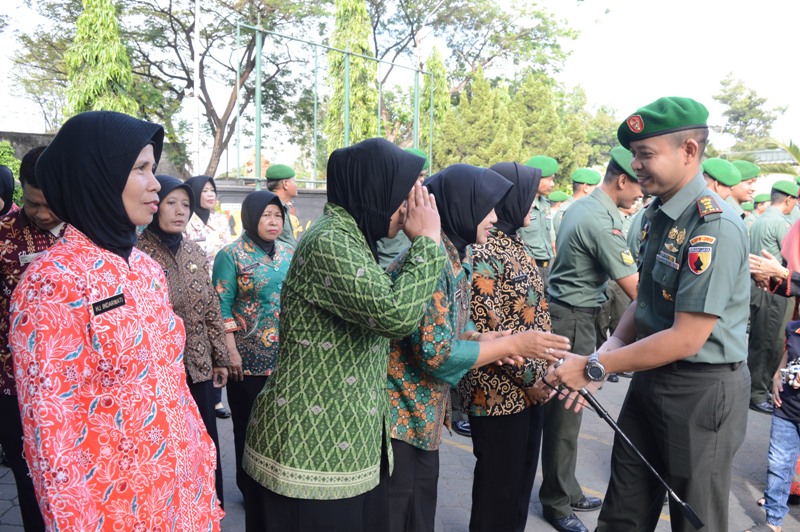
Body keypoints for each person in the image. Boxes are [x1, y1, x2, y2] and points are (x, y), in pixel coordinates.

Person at [10, 110, 223, 530]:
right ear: (97, 176)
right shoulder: (52, 283)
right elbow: (51, 437)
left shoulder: (145, 269)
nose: (156, 183)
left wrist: (202, 460)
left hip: (183, 493)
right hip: (115, 510)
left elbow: (171, 386)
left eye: (153, 168)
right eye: (139, 169)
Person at [553, 96, 750, 532]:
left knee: (695, 518)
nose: (636, 165)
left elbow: (686, 338)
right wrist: (609, 350)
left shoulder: (712, 224)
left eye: (646, 154)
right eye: (635, 155)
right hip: (651, 375)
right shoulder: (657, 215)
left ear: (689, 151)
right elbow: (645, 302)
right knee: (623, 509)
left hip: (700, 390)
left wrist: (595, 365)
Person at [241, 138, 444, 531]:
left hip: (345, 449)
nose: (406, 211)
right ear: (373, 190)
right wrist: (430, 243)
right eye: (402, 198)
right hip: (307, 455)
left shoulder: (353, 238)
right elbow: (396, 314)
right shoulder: (330, 240)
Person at [386, 163, 570, 532]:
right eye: (486, 207)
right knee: (404, 512)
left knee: (420, 511)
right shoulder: (433, 259)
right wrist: (511, 345)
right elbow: (436, 351)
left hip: (422, 413)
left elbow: (457, 324)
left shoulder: (454, 256)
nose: (494, 216)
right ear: (461, 207)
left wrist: (487, 339)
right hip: (404, 412)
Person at [541, 146, 642, 532]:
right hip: (574, 321)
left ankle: (565, 486)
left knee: (571, 412)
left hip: (572, 315)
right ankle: (555, 501)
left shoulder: (582, 208)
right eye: (638, 185)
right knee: (565, 416)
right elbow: (635, 291)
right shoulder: (601, 220)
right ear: (621, 179)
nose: (640, 194)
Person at [459, 162, 559, 532]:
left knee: (518, 486)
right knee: (497, 491)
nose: (535, 204)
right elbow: (487, 325)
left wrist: (544, 379)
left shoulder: (515, 242)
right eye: (530, 196)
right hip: (498, 393)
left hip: (532, 389)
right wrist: (533, 379)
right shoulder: (486, 250)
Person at [137, 174, 231, 508]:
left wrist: (220, 357)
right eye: (171, 202)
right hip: (162, 375)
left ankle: (209, 510)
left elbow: (210, 308)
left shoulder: (194, 251)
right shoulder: (137, 254)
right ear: (155, 205)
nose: (180, 211)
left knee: (205, 442)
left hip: (200, 367)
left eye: (186, 204)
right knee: (171, 447)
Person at [212, 190, 293, 498]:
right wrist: (231, 353)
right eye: (266, 215)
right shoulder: (231, 255)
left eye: (277, 216)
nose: (273, 222)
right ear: (250, 217)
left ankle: (276, 484)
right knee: (247, 426)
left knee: (279, 425)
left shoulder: (289, 253)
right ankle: (250, 489)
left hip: (285, 358)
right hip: (245, 360)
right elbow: (221, 305)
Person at [0, 146, 63, 532]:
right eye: (32, 202)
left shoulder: (89, 232)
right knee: (29, 478)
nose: (41, 214)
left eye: (50, 204)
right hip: (13, 385)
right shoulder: (4, 237)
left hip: (74, 386)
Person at [184, 174, 234, 419]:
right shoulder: (185, 222)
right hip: (193, 294)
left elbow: (228, 252)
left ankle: (216, 400)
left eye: (213, 190)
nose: (211, 194)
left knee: (218, 344)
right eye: (205, 190)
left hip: (219, 293)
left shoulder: (220, 221)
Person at [748, 180, 799, 414]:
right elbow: (789, 260)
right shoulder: (781, 223)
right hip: (776, 288)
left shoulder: (759, 219)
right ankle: (758, 392)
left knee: (762, 339)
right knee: (770, 342)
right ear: (789, 200)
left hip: (762, 286)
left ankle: (760, 388)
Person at [377, 147, 430, 269]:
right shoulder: (386, 197)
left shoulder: (419, 200)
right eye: (419, 174)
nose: (422, 180)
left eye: (424, 176)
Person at [518, 155, 558, 290]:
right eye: (550, 179)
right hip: (530, 266)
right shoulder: (521, 206)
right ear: (536, 179)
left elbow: (551, 237)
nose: (552, 184)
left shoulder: (545, 204)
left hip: (549, 266)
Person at [553, 168, 602, 236]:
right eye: (595, 187)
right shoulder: (566, 211)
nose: (597, 191)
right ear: (586, 187)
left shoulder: (582, 208)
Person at [265, 163, 299, 249]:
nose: (296, 185)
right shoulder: (273, 208)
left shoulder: (281, 206)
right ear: (285, 184)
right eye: (294, 181)